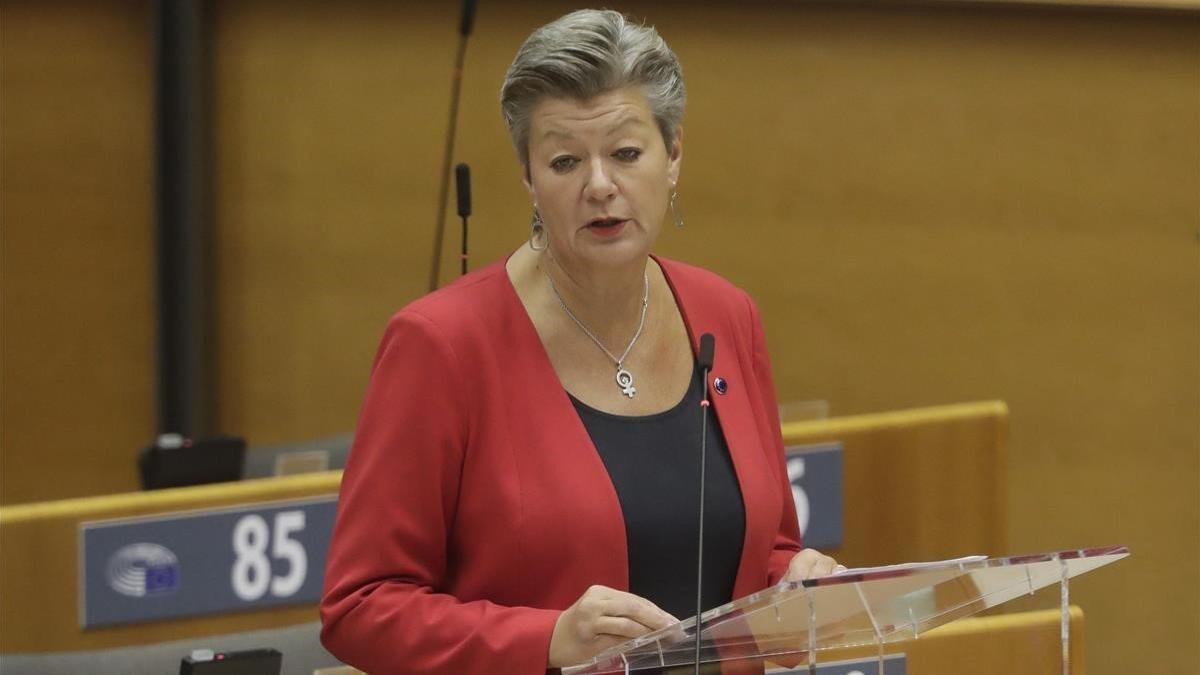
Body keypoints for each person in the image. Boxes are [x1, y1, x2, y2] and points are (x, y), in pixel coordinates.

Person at [320, 9, 841, 674]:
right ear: (529, 179)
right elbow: (360, 605)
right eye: (565, 160)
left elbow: (759, 550)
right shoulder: (441, 345)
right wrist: (545, 640)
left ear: (674, 154)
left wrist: (795, 581)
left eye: (626, 153)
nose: (600, 185)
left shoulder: (725, 314)